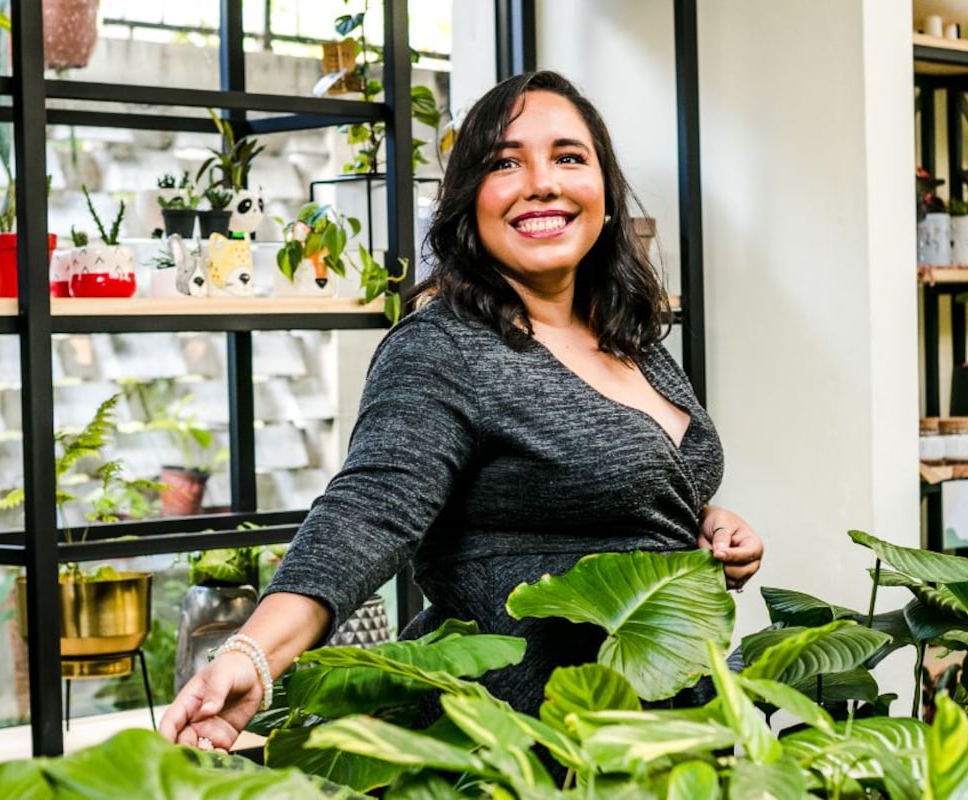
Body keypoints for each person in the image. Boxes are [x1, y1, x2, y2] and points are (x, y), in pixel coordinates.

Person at [159, 70, 763, 751]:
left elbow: (626, 482)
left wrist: (705, 522)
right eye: (505, 162)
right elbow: (369, 508)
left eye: (569, 157)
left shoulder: (629, 335)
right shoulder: (443, 347)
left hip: (668, 729)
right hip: (522, 749)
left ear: (606, 194)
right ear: (467, 201)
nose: (543, 182)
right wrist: (254, 656)